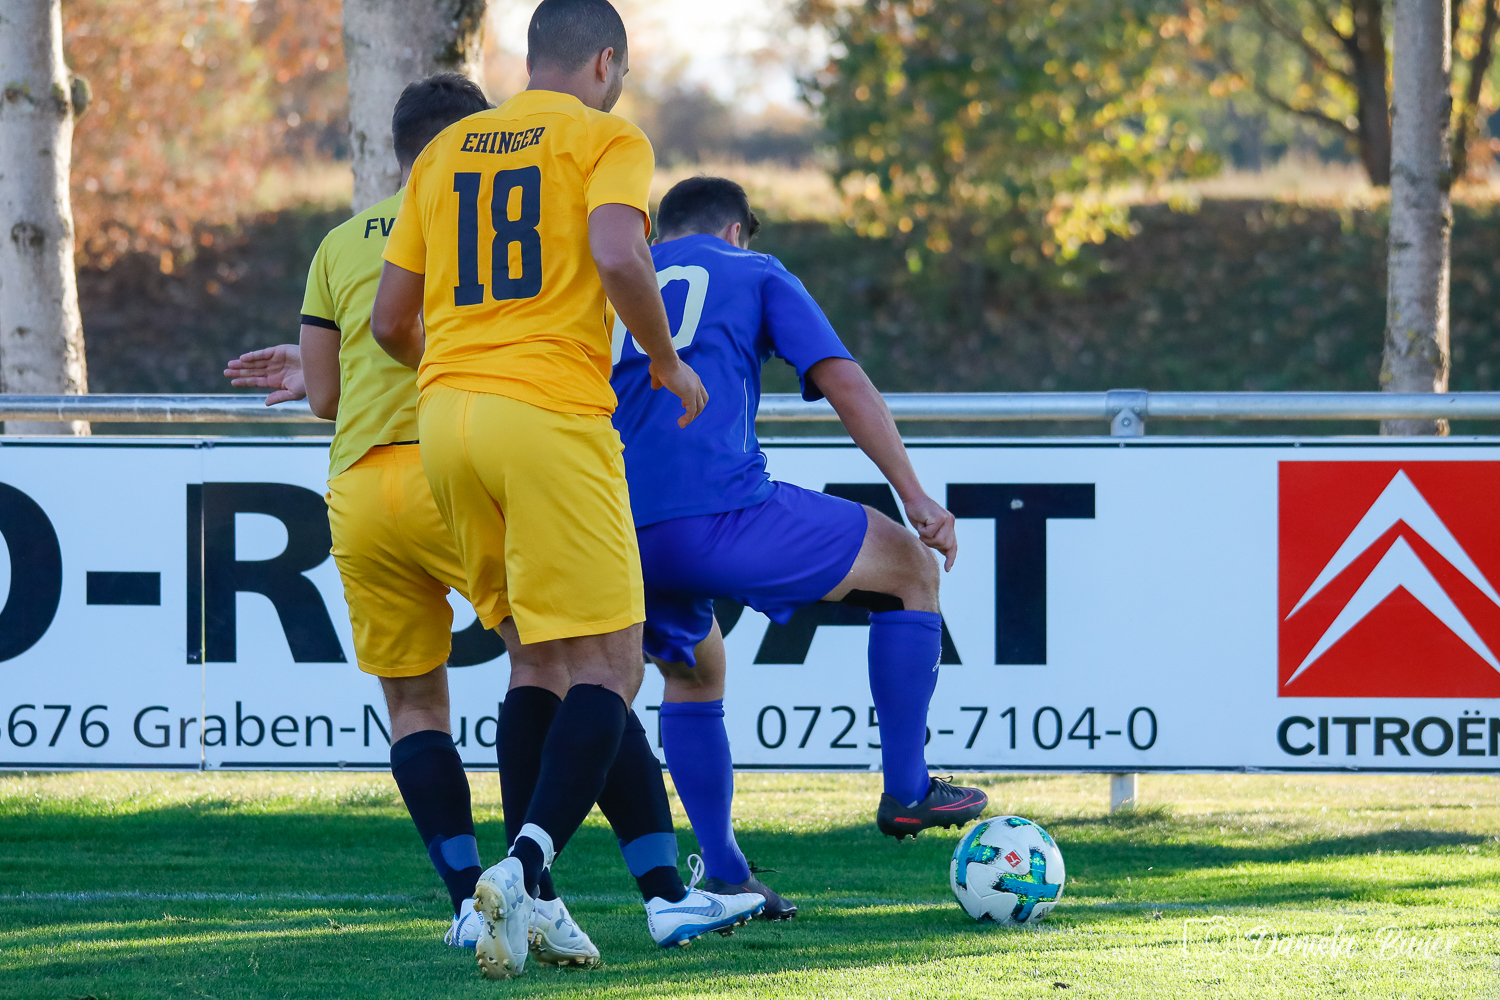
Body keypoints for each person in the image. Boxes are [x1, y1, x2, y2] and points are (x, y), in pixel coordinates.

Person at [368, 0, 760, 979]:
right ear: (604, 63)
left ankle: (530, 904)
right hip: (548, 415)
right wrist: (665, 360)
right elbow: (621, 253)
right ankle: (528, 867)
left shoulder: (443, 151)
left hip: (446, 422)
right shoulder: (606, 137)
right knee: (614, 667)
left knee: (536, 661)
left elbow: (388, 323)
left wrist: (458, 374)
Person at [225, 73, 603, 966]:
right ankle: (531, 886)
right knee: (549, 662)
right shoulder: (485, 222)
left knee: (413, 703)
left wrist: (323, 369)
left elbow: (324, 395)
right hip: (451, 469)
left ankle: (465, 899)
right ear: (476, 140)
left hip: (360, 489)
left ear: (398, 150)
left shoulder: (338, 242)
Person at [610, 177, 989, 912]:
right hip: (722, 513)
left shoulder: (612, 276)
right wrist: (915, 498)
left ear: (656, 231)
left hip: (619, 527)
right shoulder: (754, 269)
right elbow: (845, 384)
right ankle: (908, 788)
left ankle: (725, 872)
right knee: (911, 571)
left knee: (693, 671)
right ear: (737, 229)